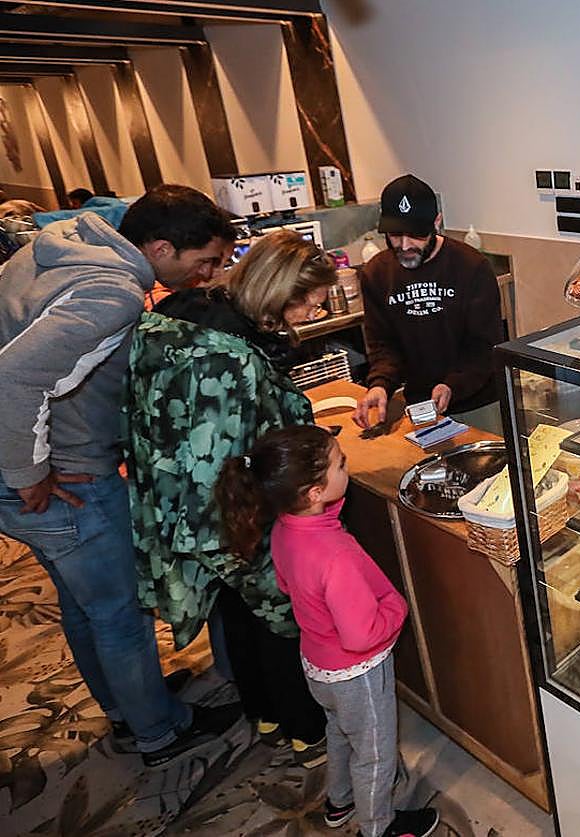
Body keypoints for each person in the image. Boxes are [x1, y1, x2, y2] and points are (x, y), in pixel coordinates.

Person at [0, 183, 239, 766]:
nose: (208, 275)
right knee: (120, 614)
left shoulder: (65, 242)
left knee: (81, 603)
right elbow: (13, 379)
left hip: (42, 459)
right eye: (205, 261)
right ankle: (159, 733)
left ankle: (125, 707)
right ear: (160, 249)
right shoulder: (113, 292)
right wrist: (29, 473)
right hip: (63, 477)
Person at [126, 229, 333, 766]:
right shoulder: (232, 358)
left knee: (237, 612)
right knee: (280, 615)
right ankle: (306, 730)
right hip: (234, 510)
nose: (313, 314)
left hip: (179, 502)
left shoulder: (185, 314)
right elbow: (226, 455)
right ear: (278, 292)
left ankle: (264, 714)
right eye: (309, 303)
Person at [215, 425, 440, 837]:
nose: (346, 467)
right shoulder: (335, 556)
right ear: (314, 493)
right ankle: (379, 827)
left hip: (319, 665)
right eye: (340, 464)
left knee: (338, 731)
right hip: (358, 672)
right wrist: (397, 609)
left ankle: (340, 800)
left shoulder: (285, 529)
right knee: (374, 752)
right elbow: (360, 635)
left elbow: (287, 584)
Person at [352, 174, 504, 435]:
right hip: (419, 403)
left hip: (478, 402)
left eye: (416, 234)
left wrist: (452, 385)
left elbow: (485, 346)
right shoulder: (377, 273)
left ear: (437, 222)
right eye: (395, 235)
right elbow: (383, 345)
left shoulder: (471, 266)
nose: (405, 245)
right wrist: (380, 385)